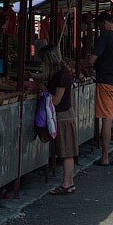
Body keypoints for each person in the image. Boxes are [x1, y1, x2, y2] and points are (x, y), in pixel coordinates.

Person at [86, 12, 113, 166]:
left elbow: (92, 60)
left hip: (105, 82)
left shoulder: (105, 36)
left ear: (104, 23)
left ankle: (104, 158)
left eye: (100, 26)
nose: (100, 29)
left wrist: (87, 62)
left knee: (106, 118)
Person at [39, 45, 78, 195]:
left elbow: (56, 100)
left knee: (66, 151)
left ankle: (66, 184)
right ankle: (70, 183)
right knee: (65, 151)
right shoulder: (59, 73)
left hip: (63, 116)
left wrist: (44, 90)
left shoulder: (62, 74)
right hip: (61, 115)